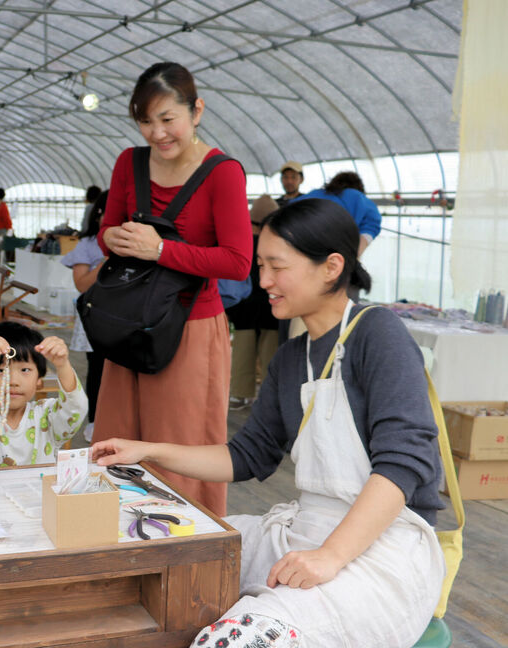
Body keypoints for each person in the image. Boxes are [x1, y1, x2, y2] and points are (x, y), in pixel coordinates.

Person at [93, 198, 445, 647]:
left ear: (331, 267)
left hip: (383, 547)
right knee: (167, 543)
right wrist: (148, 451)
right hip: (307, 531)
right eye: (261, 266)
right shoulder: (291, 357)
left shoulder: (378, 334)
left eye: (277, 267)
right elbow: (247, 455)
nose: (263, 281)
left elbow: (403, 465)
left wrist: (329, 557)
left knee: (251, 635)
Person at [93, 61, 252, 516]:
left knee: (182, 451)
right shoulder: (129, 162)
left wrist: (160, 250)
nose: (157, 133)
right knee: (117, 440)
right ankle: (117, 548)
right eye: (145, 121)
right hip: (130, 326)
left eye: (168, 119)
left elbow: (238, 263)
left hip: (192, 331)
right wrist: (116, 239)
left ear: (196, 110)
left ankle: (189, 558)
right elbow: (107, 231)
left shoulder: (223, 172)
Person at [0, 322, 87, 467]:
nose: (13, 381)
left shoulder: (47, 416)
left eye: (25, 370)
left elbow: (76, 408)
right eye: (1, 371)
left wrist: (63, 365)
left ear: (39, 378)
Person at [60, 189, 108, 443]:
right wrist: (105, 263)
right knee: (98, 370)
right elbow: (81, 284)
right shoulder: (88, 245)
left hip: (130, 321)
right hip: (97, 318)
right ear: (98, 215)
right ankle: (96, 423)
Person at [225, 194, 280, 409]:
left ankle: (240, 394)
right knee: (270, 352)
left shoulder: (242, 239)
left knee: (242, 351)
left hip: (244, 305)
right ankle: (267, 398)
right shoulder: (277, 242)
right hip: (271, 303)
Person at [296, 170, 381, 257]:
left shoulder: (314, 194)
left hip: (301, 248)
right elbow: (370, 228)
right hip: (333, 254)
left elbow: (288, 213)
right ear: (359, 188)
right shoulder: (359, 198)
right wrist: (353, 259)